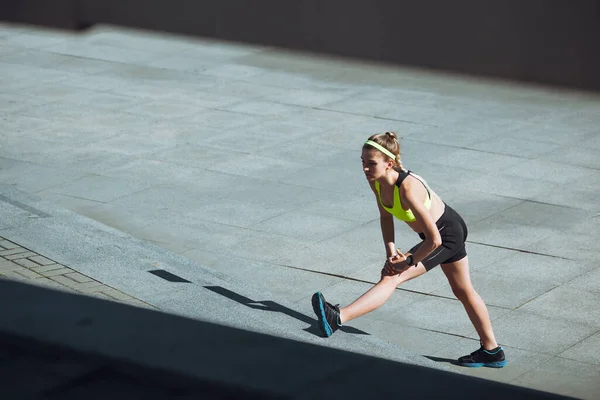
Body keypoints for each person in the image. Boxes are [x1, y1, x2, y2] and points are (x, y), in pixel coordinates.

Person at [311, 131, 507, 368]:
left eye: (371, 163)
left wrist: (408, 262)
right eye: (362, 162)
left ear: (389, 163)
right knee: (463, 290)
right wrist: (391, 251)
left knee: (392, 276)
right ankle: (492, 351)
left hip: (445, 233)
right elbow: (385, 216)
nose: (365, 168)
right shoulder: (376, 181)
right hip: (438, 233)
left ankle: (339, 317)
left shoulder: (407, 188)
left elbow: (434, 239)